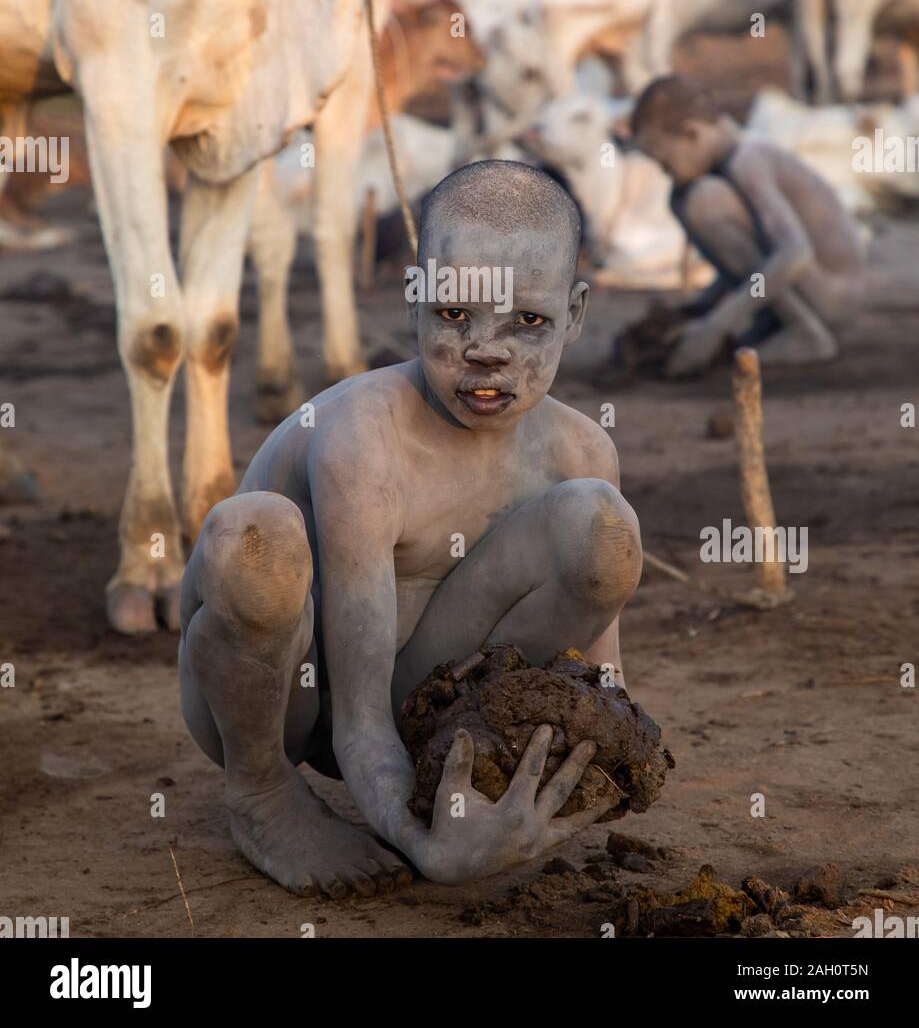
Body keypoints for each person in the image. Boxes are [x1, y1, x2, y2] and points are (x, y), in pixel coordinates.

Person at [178, 160, 642, 896]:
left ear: (576, 313)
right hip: (290, 696)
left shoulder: (580, 448)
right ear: (414, 297)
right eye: (455, 315)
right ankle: (262, 796)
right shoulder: (364, 436)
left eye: (528, 321)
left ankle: (445, 774)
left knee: (601, 527)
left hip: (421, 696)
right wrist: (430, 845)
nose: (487, 351)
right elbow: (358, 720)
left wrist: (592, 771)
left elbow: (598, 678)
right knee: (254, 535)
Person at [631, 75, 865, 376]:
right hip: (816, 290)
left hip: (833, 297)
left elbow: (796, 252)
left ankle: (805, 332)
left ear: (692, 134)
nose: (667, 173)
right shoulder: (731, 161)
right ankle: (777, 322)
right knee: (683, 197)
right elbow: (746, 252)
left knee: (702, 201)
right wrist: (702, 308)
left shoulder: (747, 159)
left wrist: (717, 325)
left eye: (665, 162)